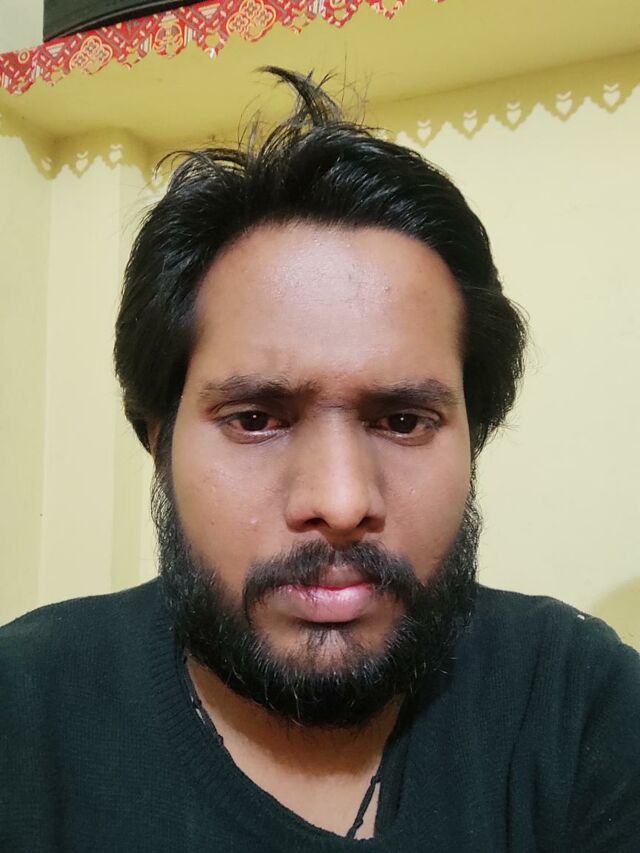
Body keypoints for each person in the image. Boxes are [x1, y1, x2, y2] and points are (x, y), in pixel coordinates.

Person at [1, 68, 638, 852]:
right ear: (157, 439)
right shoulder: (24, 718)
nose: (340, 501)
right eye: (256, 419)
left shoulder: (579, 706)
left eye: (402, 420)